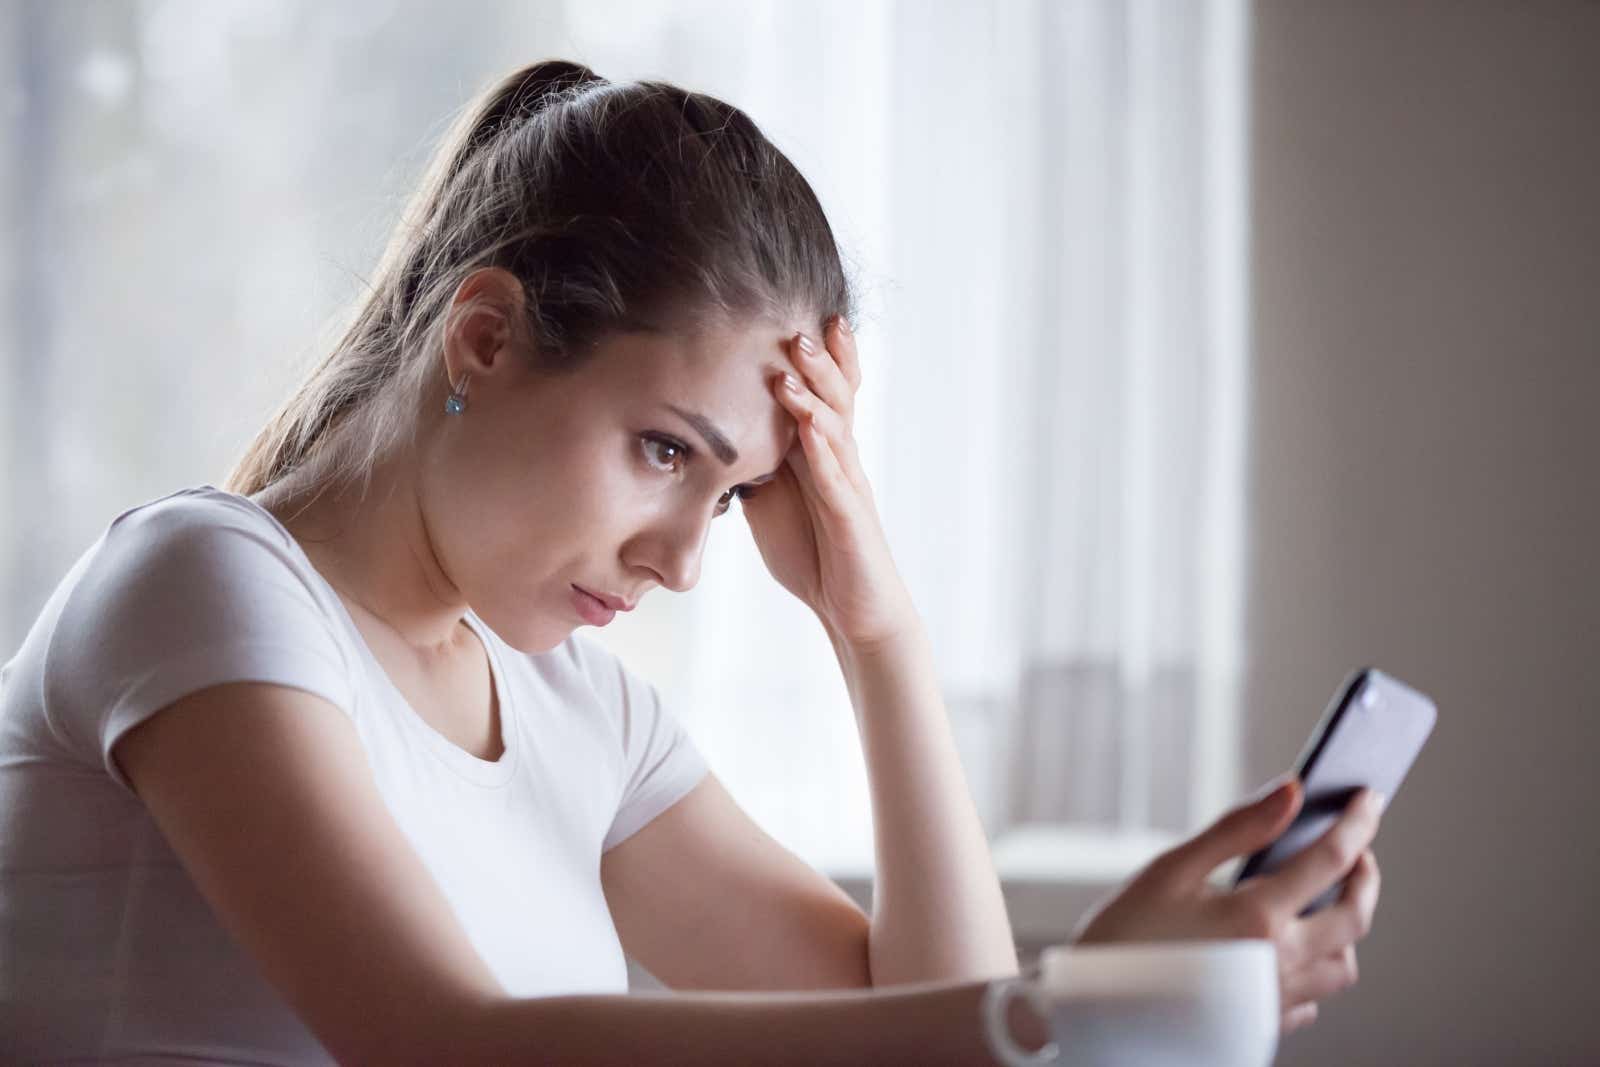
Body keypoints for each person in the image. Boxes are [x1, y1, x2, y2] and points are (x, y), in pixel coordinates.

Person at [0, 59, 1384, 1064]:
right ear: (482, 336)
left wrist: (874, 628)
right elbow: (439, 1045)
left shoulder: (572, 713)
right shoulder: (207, 581)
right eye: (666, 450)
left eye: (732, 497)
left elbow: (913, 1014)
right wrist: (1078, 1007)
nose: (679, 563)